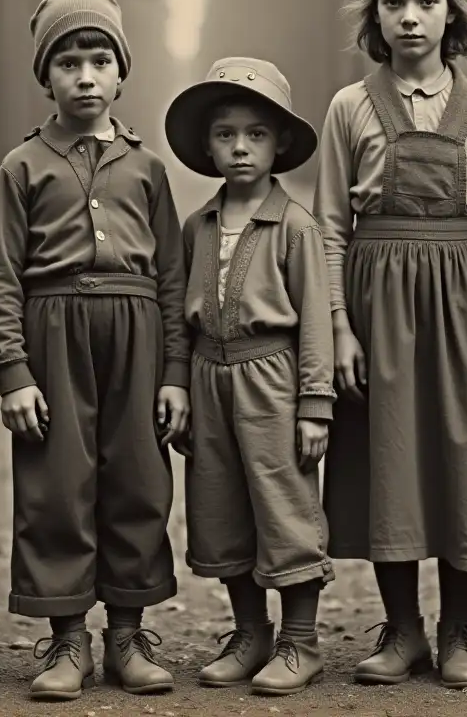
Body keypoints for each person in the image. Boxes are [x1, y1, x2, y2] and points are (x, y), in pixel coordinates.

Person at [312, 0, 467, 688]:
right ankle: (401, 629)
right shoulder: (349, 106)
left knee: (460, 457)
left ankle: (459, 631)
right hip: (378, 301)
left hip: (465, 300)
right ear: (373, 18)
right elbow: (328, 230)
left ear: (454, 15)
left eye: (427, 1)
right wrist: (339, 328)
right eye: (393, 3)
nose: (410, 16)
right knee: (389, 459)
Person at [0, 0, 190, 701]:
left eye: (99, 59)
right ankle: (66, 639)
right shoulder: (22, 167)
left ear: (120, 72)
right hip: (52, 334)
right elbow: (1, 275)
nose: (85, 76)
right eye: (68, 62)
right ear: (48, 76)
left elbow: (171, 276)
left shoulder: (148, 167)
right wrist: (12, 372)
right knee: (57, 484)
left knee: (137, 478)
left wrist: (174, 375)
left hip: (136, 332)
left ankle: (127, 636)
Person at [165, 57, 336, 696]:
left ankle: (300, 640)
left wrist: (315, 401)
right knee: (219, 503)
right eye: (226, 134)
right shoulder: (197, 226)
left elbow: (315, 316)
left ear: (280, 144)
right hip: (210, 375)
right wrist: (178, 383)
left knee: (283, 503)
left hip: (273, 377)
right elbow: (178, 316)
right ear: (207, 147)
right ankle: (250, 632)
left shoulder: (294, 225)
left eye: (256, 134)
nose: (240, 147)